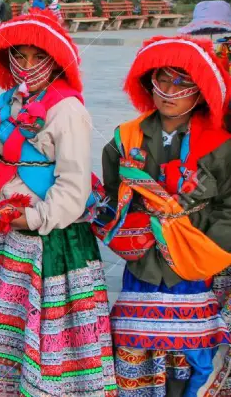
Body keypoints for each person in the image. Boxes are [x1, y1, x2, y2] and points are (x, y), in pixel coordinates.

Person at [0, 11, 116, 396]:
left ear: (55, 59)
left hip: (51, 238)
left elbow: (72, 184)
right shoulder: (8, 103)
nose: (25, 66)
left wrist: (36, 217)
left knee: (50, 332)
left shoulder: (67, 110)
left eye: (35, 57)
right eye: (17, 57)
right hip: (9, 233)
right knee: (14, 325)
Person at [96, 35, 231, 396]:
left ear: (200, 90)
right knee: (135, 347)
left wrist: (206, 248)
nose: (170, 91)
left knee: (191, 356)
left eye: (182, 82)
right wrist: (128, 227)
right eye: (163, 80)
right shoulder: (125, 138)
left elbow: (229, 206)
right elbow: (112, 195)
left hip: (194, 262)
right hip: (142, 263)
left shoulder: (220, 144)